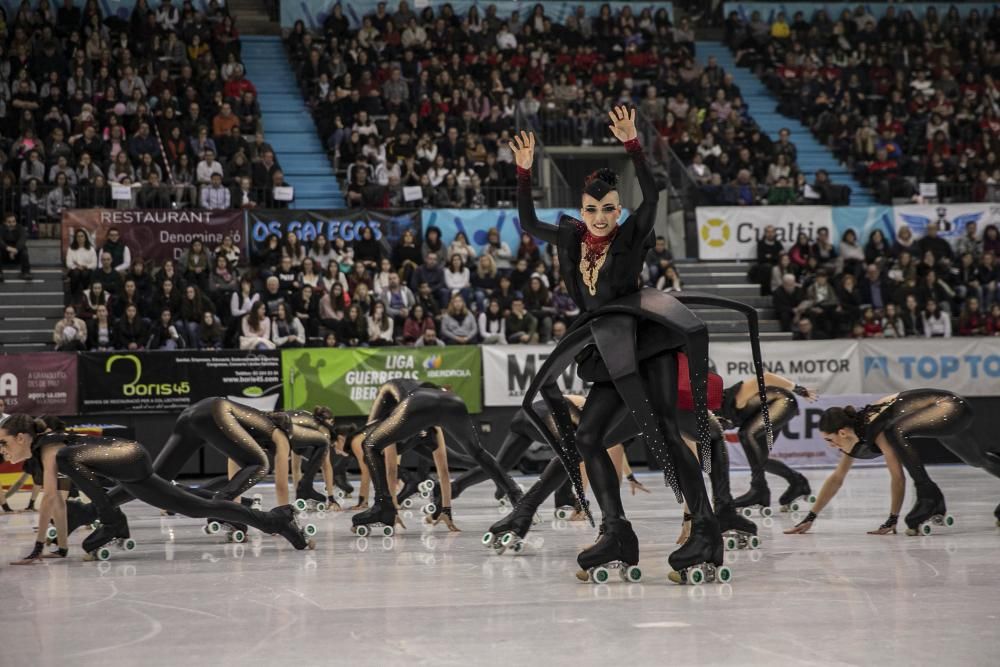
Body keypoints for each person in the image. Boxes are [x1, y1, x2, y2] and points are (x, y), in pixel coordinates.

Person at [511, 108, 750, 582]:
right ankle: (617, 532)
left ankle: (706, 529)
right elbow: (526, 221)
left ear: (618, 210)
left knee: (662, 427)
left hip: (646, 341)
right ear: (581, 211)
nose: (599, 218)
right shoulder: (570, 236)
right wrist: (523, 172)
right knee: (585, 437)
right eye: (591, 210)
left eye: (608, 210)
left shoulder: (632, 232)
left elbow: (655, 194)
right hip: (605, 346)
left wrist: (634, 146)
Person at [0, 413, 313, 563]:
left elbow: (52, 498)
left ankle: (112, 522)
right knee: (196, 507)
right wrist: (59, 549)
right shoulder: (44, 452)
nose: (2, 450)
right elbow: (53, 503)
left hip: (128, 457)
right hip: (129, 465)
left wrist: (39, 550)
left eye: (4, 443)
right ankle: (275, 520)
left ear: (22, 438)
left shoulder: (53, 450)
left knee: (70, 460)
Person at [787, 390, 1000, 536]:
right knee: (976, 459)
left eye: (829, 440)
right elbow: (837, 478)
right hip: (943, 413)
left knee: (896, 431)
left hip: (951, 406)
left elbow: (897, 477)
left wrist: (892, 519)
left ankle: (929, 495)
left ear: (842, 432)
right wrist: (811, 517)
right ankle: (933, 499)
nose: (830, 445)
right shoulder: (856, 436)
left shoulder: (873, 428)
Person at [350, 379, 522, 536]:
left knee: (370, 445)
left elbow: (391, 470)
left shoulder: (394, 410)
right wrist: (446, 509)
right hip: (453, 401)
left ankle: (382, 506)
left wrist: (392, 508)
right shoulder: (432, 429)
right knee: (477, 452)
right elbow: (444, 471)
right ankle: (516, 495)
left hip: (417, 402)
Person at [719, 373, 817, 513]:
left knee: (747, 434)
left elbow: (765, 377)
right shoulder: (704, 419)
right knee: (760, 459)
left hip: (782, 401)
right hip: (766, 410)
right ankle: (798, 482)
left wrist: (798, 388)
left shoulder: (730, 398)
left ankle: (759, 490)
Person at [0, 213, 32, 281]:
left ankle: (26, 273)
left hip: (17, 254)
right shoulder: (1, 228)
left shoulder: (20, 228)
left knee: (24, 250)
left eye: (14, 221)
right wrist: (8, 248)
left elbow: (22, 240)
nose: (12, 224)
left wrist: (16, 250)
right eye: (9, 222)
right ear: (4, 222)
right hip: (4, 254)